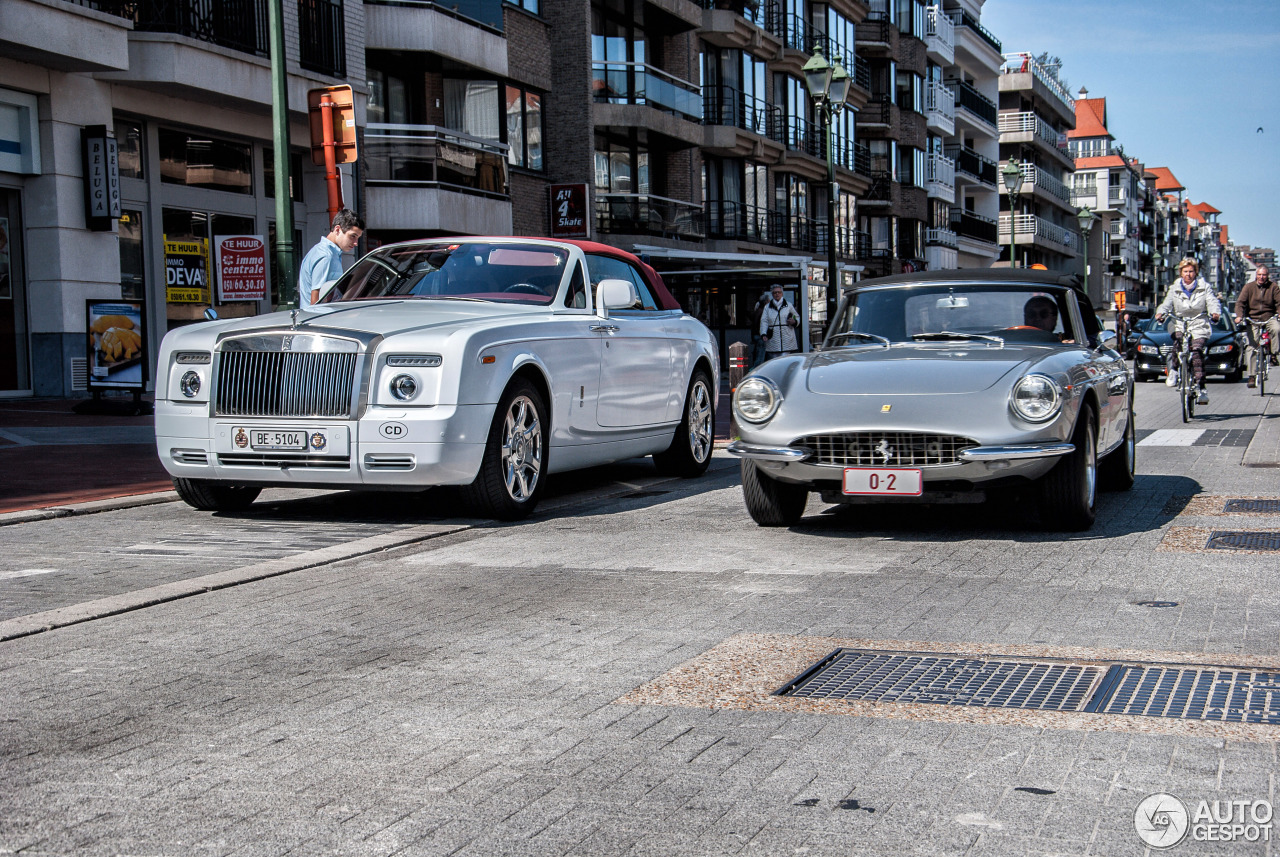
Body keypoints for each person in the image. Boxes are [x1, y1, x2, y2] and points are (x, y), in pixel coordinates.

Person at [1155, 257, 1221, 405]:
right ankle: (1173, 370)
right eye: (1185, 271)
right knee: (1178, 341)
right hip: (1180, 322)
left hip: (1198, 323)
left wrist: (1215, 313)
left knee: (1197, 351)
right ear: (1180, 273)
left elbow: (1212, 301)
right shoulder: (1175, 288)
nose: (1188, 274)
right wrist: (1161, 313)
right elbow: (1167, 304)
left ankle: (1201, 387)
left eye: (1191, 271)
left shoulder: (1204, 287)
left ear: (1195, 272)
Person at [297, 209, 364, 309]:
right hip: (320, 320)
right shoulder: (326, 256)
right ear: (337, 230)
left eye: (358, 237)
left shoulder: (323, 252)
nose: (356, 243)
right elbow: (315, 302)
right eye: (352, 236)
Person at [1233, 265, 1279, 388]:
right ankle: (1252, 376)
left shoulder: (1273, 287)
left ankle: (1274, 354)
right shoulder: (1249, 287)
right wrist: (1239, 316)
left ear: (1267, 276)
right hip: (1252, 319)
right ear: (1256, 275)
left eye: (1264, 275)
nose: (1261, 277)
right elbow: (1240, 303)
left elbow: (1279, 303)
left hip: (1269, 317)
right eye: (1259, 274)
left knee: (1277, 329)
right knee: (1252, 345)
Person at [759, 284, 801, 359]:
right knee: (775, 360)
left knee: (785, 359)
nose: (777, 294)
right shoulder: (767, 307)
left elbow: (796, 317)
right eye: (775, 293)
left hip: (787, 338)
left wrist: (794, 321)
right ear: (772, 294)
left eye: (779, 292)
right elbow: (764, 321)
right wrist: (763, 333)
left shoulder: (789, 305)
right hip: (773, 339)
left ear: (782, 293)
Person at [748, 289, 771, 367]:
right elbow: (760, 324)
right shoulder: (762, 312)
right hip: (760, 335)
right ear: (765, 302)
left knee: (759, 354)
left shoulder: (758, 310)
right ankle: (756, 370)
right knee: (760, 357)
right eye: (768, 301)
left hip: (757, 335)